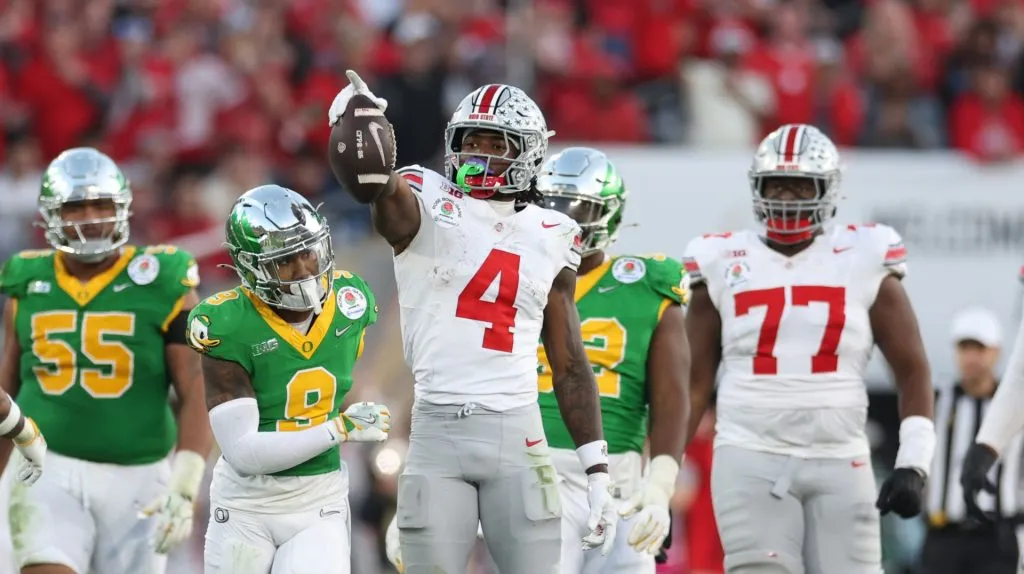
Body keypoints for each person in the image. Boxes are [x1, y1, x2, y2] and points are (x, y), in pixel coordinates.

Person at [327, 72, 617, 574]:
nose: (480, 153)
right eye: (470, 141)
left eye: (496, 143)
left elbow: (568, 364)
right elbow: (375, 188)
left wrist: (595, 468)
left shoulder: (554, 233)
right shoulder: (425, 200)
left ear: (527, 153)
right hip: (437, 429)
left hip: (519, 436)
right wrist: (353, 130)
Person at [382, 147, 689, 573]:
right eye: (554, 202)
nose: (568, 217)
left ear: (612, 215)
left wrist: (660, 486)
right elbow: (453, 374)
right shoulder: (505, 267)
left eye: (581, 207)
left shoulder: (646, 284)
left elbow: (675, 393)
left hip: (619, 475)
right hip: (530, 466)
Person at [682, 124, 936, 573]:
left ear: (828, 189)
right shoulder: (720, 259)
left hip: (840, 455)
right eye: (775, 184)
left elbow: (912, 369)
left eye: (801, 185)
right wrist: (662, 470)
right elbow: (692, 380)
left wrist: (914, 462)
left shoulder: (864, 255)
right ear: (756, 188)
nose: (786, 197)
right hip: (748, 452)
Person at [0, 147, 212, 573]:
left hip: (139, 476)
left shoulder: (162, 278)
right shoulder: (28, 279)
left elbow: (197, 387)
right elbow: (7, 397)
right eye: (77, 206)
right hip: (45, 469)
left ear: (123, 208)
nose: (91, 217)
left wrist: (185, 484)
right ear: (50, 214)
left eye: (102, 205)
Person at [185, 185, 391, 573]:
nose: (304, 271)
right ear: (251, 268)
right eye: (285, 262)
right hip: (247, 505)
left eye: (308, 253)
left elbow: (338, 380)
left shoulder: (351, 300)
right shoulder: (226, 324)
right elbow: (244, 452)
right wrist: (339, 430)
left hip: (319, 498)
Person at [921, 308, 1020, 574]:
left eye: (979, 348)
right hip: (944, 535)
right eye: (965, 348)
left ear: (996, 351)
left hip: (997, 539)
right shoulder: (937, 399)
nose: (972, 357)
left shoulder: (1015, 405)